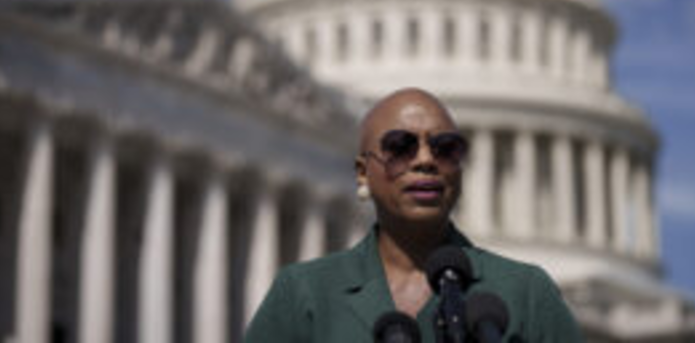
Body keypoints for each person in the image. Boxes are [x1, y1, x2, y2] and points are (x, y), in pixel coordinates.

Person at [243, 88, 583, 342]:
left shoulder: (525, 294)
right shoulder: (304, 294)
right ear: (363, 173)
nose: (425, 161)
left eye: (446, 148)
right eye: (400, 146)